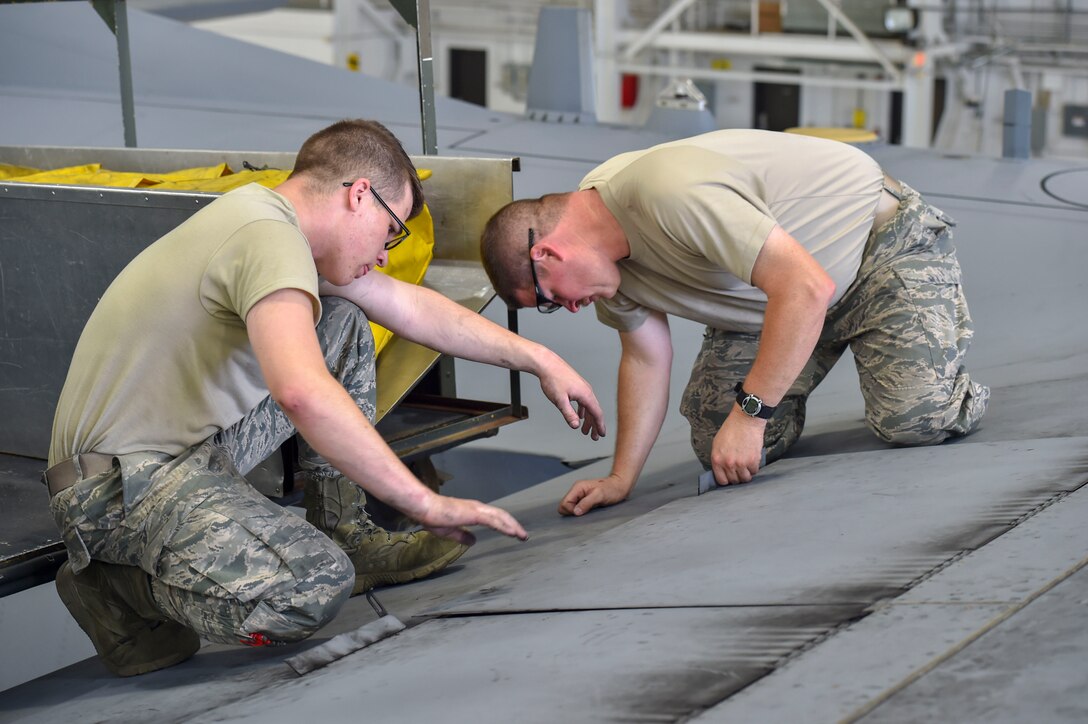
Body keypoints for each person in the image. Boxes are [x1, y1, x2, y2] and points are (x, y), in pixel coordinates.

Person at [45, 118, 606, 676]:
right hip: (114, 491)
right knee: (311, 587)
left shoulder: (274, 227)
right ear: (360, 195)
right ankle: (116, 588)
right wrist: (424, 503)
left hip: (182, 455)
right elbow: (301, 393)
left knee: (339, 323)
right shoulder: (265, 236)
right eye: (390, 233)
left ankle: (344, 529)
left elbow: (411, 308)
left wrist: (542, 360)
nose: (386, 254)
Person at [481, 128, 989, 517]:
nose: (569, 309)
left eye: (547, 299)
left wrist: (749, 415)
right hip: (778, 300)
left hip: (879, 251)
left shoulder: (665, 193)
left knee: (914, 419)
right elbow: (644, 354)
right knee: (716, 446)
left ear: (546, 254)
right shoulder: (606, 269)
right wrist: (621, 477)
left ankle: (937, 372)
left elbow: (806, 287)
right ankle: (793, 368)